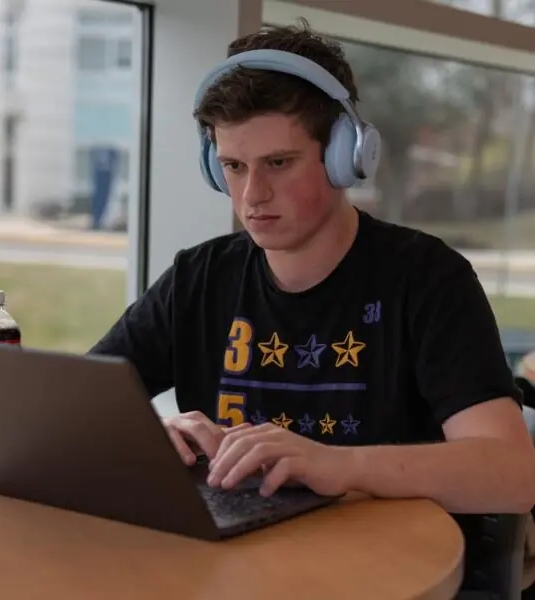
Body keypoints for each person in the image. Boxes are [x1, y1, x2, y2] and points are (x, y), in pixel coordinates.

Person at [90, 20, 535, 515]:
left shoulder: (428, 279)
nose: (251, 195)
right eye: (233, 166)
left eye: (278, 163)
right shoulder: (198, 278)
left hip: (389, 569)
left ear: (346, 157)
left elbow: (512, 474)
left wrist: (337, 465)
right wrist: (148, 435)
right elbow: (65, 411)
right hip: (232, 566)